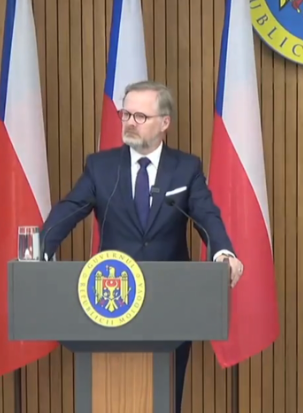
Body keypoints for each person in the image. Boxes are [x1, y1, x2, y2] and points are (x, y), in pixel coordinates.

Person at [39, 80, 243, 413]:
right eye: (126, 114)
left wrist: (223, 252)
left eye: (140, 116)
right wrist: (40, 250)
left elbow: (207, 215)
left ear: (164, 123)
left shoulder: (186, 168)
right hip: (111, 301)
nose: (130, 122)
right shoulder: (101, 167)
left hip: (171, 304)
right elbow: (69, 210)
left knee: (166, 397)